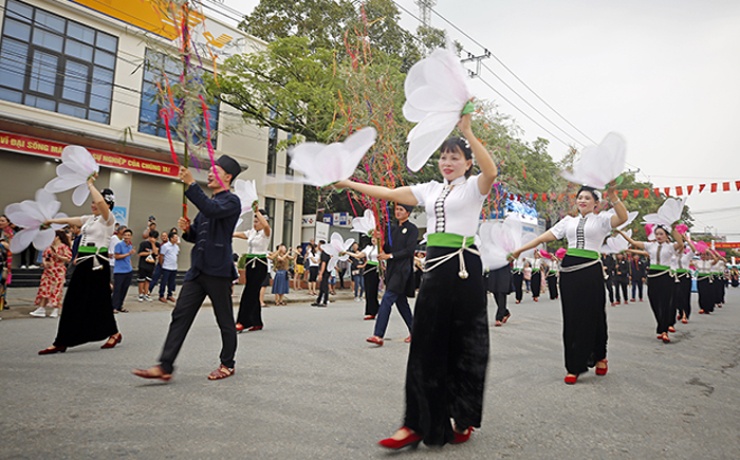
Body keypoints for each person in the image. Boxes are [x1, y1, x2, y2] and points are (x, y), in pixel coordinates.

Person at [336, 112, 497, 447]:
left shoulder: (474, 188)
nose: (447, 161)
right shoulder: (430, 189)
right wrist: (349, 183)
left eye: (455, 157)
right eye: (443, 156)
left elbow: (491, 171)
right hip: (436, 270)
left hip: (465, 269)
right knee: (425, 346)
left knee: (467, 345)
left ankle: (463, 415)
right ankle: (415, 424)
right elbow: (391, 193)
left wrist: (467, 131)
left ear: (468, 163)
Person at [133, 156, 243, 382]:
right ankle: (165, 365)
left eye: (215, 171)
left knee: (224, 319)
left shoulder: (231, 202)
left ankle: (227, 363)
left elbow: (211, 210)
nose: (210, 174)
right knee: (180, 315)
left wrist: (192, 185)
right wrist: (187, 231)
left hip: (218, 271)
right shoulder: (209, 204)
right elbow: (198, 236)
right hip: (198, 270)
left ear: (228, 177)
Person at [511, 185, 628, 384]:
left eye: (587, 198)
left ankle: (600, 355)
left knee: (595, 314)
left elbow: (622, 218)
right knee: (572, 318)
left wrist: (614, 196)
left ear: (596, 203)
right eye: (580, 197)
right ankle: (574, 365)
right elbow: (543, 237)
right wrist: (520, 250)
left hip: (591, 269)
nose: (582, 200)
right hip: (569, 271)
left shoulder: (602, 221)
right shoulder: (567, 222)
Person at [38, 177, 122, 354]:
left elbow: (100, 201)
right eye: (91, 202)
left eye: (96, 202)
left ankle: (109, 333)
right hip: (84, 261)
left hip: (98, 263)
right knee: (76, 300)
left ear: (106, 204)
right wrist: (52, 221)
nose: (93, 204)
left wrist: (90, 185)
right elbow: (72, 220)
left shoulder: (108, 219)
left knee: (98, 301)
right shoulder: (90, 219)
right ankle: (64, 340)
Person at [618, 225, 684, 343]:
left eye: (661, 234)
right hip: (653, 276)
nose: (658, 236)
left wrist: (673, 227)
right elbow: (632, 241)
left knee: (665, 303)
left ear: (666, 235)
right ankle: (661, 325)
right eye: (657, 234)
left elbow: (680, 243)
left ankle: (664, 331)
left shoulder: (670, 247)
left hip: (666, 276)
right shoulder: (649, 246)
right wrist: (620, 231)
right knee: (654, 302)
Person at [365, 204, 418, 346]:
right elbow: (388, 248)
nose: (398, 212)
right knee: (401, 303)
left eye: (401, 210)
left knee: (387, 299)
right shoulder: (392, 229)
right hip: (392, 270)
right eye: (396, 209)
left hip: (403, 270)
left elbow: (409, 250)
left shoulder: (412, 229)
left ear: (408, 212)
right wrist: (380, 241)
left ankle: (378, 335)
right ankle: (415, 332)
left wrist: (390, 256)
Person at [233, 208, 271, 332]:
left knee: (249, 292)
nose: (255, 224)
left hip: (260, 264)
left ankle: (243, 321)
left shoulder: (266, 233)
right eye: (254, 221)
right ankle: (257, 322)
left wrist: (257, 211)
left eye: (257, 221)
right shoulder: (252, 233)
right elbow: (237, 234)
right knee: (253, 292)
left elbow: (266, 225)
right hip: (250, 263)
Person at [29, 230, 72, 318]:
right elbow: (44, 256)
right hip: (48, 270)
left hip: (58, 270)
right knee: (44, 289)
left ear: (57, 237)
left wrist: (59, 257)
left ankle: (55, 309)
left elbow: (68, 258)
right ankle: (41, 308)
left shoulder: (64, 247)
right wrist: (44, 262)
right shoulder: (48, 247)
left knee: (56, 290)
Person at [673, 234, 698, 324]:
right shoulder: (673, 257)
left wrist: (687, 240)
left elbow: (694, 250)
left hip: (685, 276)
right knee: (676, 296)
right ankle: (680, 311)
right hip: (676, 276)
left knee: (685, 296)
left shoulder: (686, 256)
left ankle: (685, 314)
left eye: (682, 247)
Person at [111, 228, 136, 313]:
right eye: (125, 235)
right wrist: (128, 254)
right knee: (117, 289)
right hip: (119, 271)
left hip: (128, 270)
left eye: (128, 235)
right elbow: (117, 256)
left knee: (124, 289)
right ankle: (113, 306)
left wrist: (130, 265)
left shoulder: (130, 246)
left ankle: (120, 306)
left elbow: (128, 258)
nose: (126, 237)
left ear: (131, 237)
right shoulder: (119, 245)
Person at [136, 230, 159, 302]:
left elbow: (156, 253)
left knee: (148, 280)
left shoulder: (157, 244)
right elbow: (140, 254)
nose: (152, 239)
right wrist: (149, 252)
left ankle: (146, 294)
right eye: (151, 237)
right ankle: (140, 294)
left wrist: (153, 244)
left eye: (154, 238)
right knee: (141, 280)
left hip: (151, 265)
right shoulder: (143, 244)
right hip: (143, 265)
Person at [157, 232, 180, 303]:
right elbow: (161, 256)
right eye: (175, 237)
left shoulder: (176, 247)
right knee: (164, 281)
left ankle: (169, 295)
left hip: (174, 267)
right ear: (171, 238)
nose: (176, 239)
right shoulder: (165, 246)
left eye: (177, 237)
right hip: (166, 267)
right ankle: (161, 295)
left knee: (171, 282)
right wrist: (162, 264)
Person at [148, 231, 170, 296]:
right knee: (155, 277)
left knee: (164, 280)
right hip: (160, 264)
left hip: (167, 265)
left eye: (165, 236)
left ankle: (162, 294)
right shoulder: (160, 245)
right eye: (162, 236)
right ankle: (148, 290)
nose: (164, 237)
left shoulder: (170, 245)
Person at [0, 215, 15, 311]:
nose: (0, 222)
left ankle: (2, 301)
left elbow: (11, 247)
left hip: (3, 260)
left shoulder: (9, 233)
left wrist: (2, 243)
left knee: (2, 282)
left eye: (2, 220)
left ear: (8, 222)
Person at [311, 240, 331, 307]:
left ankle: (325, 301)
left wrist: (320, 274)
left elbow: (323, 264)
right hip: (325, 272)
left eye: (319, 245)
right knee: (322, 287)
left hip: (325, 272)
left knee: (324, 287)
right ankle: (318, 300)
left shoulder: (324, 253)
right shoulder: (324, 253)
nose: (318, 246)